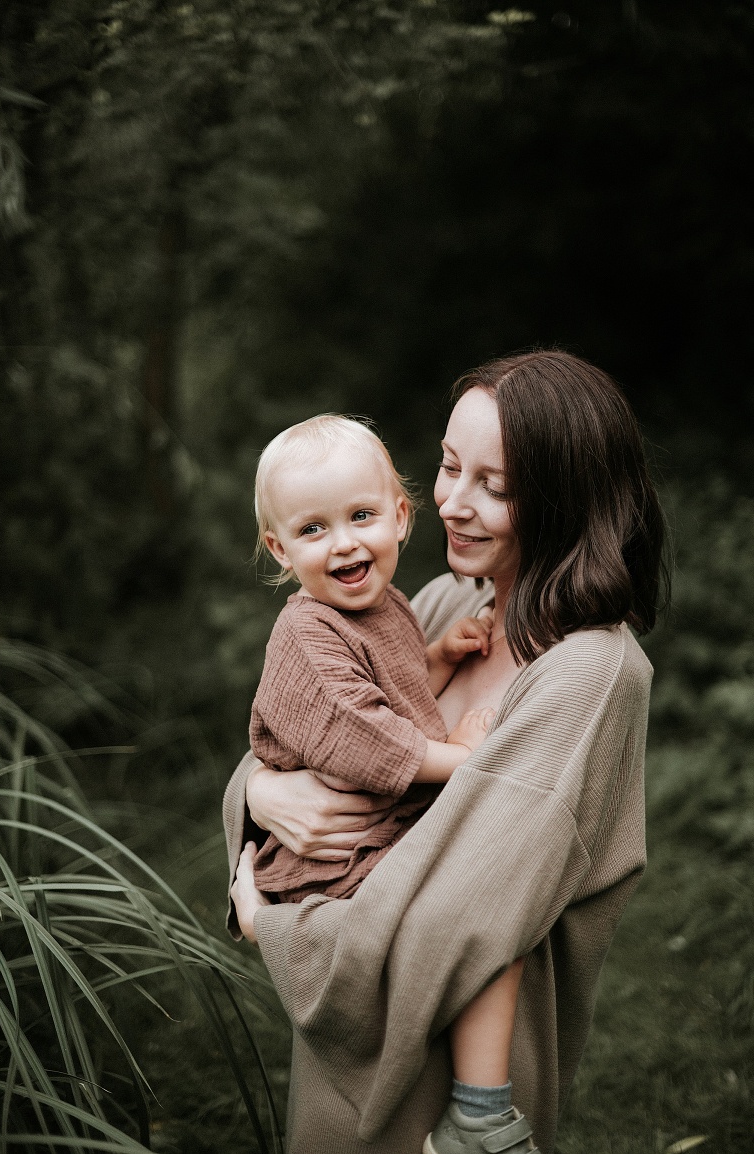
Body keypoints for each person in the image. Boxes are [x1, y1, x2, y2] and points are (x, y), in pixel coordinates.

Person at [223, 349, 666, 1154]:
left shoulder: (590, 674)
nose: (453, 505)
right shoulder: (437, 605)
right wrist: (260, 792)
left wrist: (275, 931)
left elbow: (455, 915)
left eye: (494, 486)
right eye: (449, 467)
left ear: (567, 501)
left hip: (436, 1060)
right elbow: (306, 727)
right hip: (342, 1052)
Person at [242, 413, 531, 1152]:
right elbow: (360, 734)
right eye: (313, 530)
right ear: (280, 549)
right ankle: (478, 1111)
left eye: (361, 516)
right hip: (335, 860)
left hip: (373, 831)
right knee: (471, 915)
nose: (343, 542)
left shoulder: (384, 605)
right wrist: (461, 758)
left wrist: (437, 654)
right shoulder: (307, 631)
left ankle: (478, 1108)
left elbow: (392, 693)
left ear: (401, 519)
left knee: (487, 918)